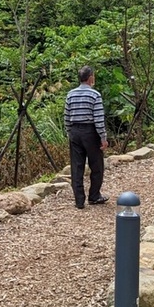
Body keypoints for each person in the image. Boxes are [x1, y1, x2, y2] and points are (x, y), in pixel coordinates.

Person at [64, 65, 107, 209]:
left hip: (75, 131)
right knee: (97, 165)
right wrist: (103, 137)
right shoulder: (95, 95)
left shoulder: (70, 94)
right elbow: (99, 118)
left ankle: (79, 200)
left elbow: (66, 116)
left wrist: (70, 132)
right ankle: (94, 196)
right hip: (90, 131)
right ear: (90, 78)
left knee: (77, 167)